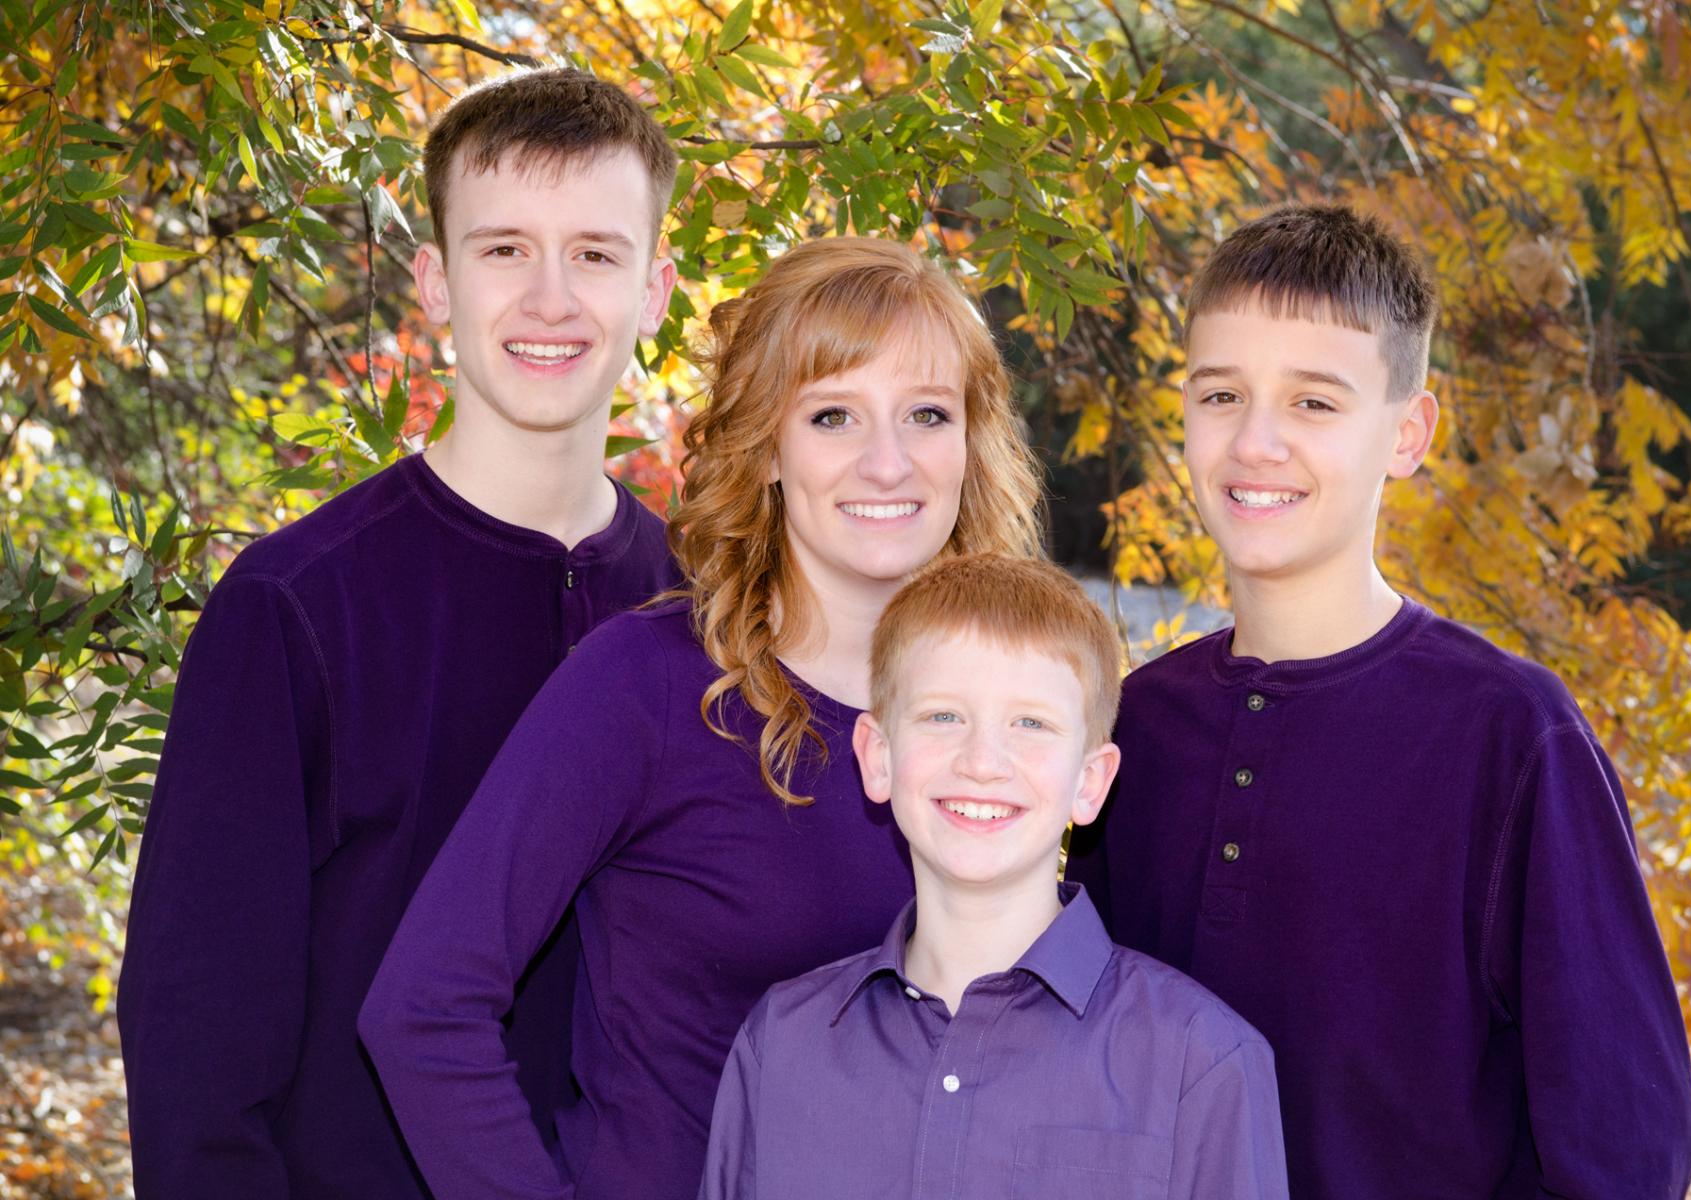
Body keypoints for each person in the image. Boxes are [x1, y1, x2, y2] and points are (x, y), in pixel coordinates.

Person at [357, 236, 1046, 1200]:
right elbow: (423, 1011)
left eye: (926, 415)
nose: (887, 463)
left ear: (970, 446)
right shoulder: (646, 686)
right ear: (767, 447)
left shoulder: (1025, 714)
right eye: (834, 416)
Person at [117, 68, 681, 1198]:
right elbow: (195, 1047)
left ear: (657, 291)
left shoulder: (699, 608)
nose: (550, 298)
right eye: (504, 248)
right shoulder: (295, 606)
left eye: (596, 254)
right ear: (432, 282)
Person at [1066, 203, 1691, 1198]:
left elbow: (1625, 1147)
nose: (1255, 443)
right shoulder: (1129, 728)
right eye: (1220, 395)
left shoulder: (1510, 736)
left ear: (1406, 434)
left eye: (1314, 403)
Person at [696, 553, 1288, 1200]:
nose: (982, 762)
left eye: (1030, 724)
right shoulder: (781, 1046)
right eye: (942, 716)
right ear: (878, 757)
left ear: (1089, 784)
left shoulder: (1199, 1065)